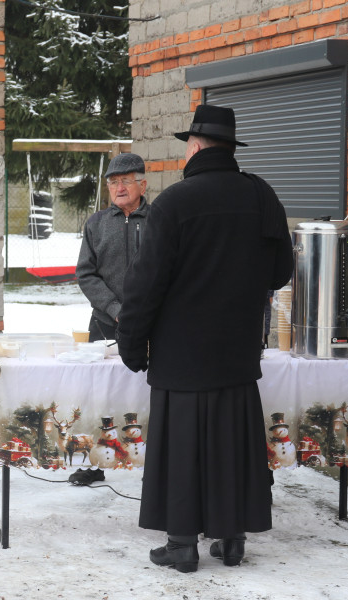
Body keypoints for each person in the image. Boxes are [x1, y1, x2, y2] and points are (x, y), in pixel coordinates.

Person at [116, 105, 293, 573]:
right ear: (230, 148)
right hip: (237, 353)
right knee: (231, 445)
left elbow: (145, 284)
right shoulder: (262, 196)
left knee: (183, 448)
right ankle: (232, 541)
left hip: (182, 356)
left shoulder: (174, 202)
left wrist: (131, 343)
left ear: (194, 147)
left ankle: (181, 544)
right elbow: (281, 272)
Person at [70, 151, 149, 486]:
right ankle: (95, 463)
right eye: (113, 182)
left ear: (143, 184)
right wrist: (116, 309)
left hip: (151, 325)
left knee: (148, 393)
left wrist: (144, 311)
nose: (119, 188)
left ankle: (154, 460)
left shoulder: (159, 220)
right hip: (104, 323)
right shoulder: (96, 224)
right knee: (98, 395)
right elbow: (86, 274)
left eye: (126, 181)